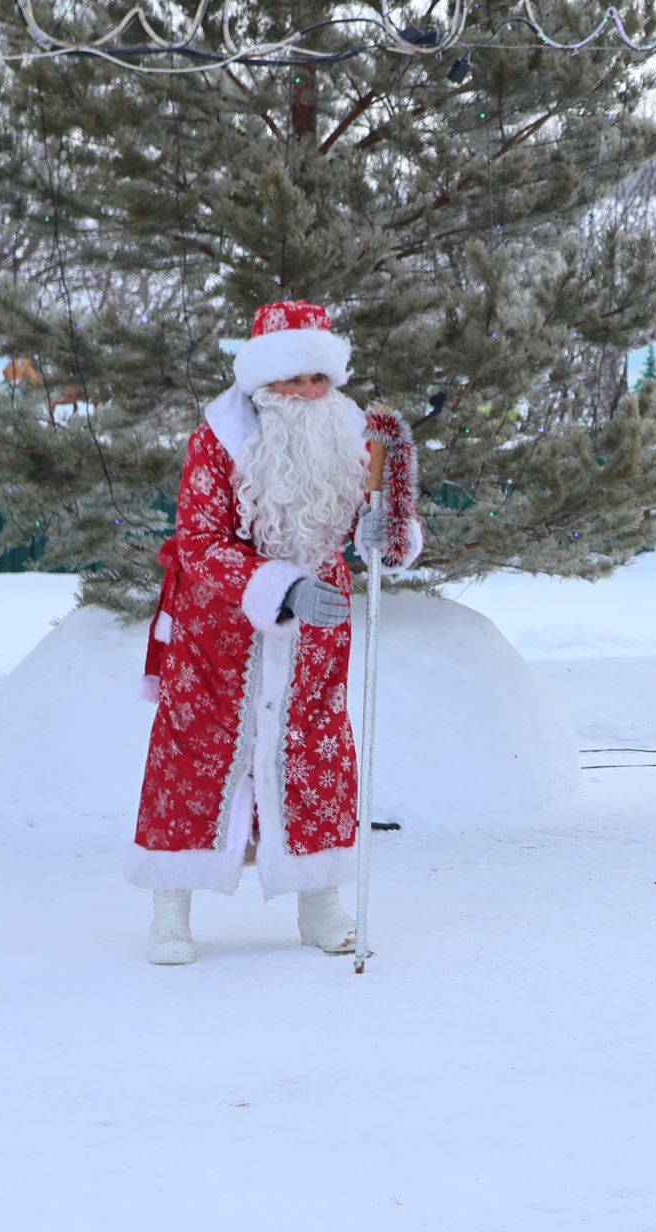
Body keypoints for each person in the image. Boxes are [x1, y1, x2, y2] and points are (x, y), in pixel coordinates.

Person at [130, 300, 421, 966]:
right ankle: (170, 908)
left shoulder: (349, 432)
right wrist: (280, 587)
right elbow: (198, 540)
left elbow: (374, 519)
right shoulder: (218, 436)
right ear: (264, 382)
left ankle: (319, 905)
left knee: (316, 757)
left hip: (316, 638)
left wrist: (387, 535)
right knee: (193, 760)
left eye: (320, 380)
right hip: (219, 635)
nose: (310, 393)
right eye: (296, 380)